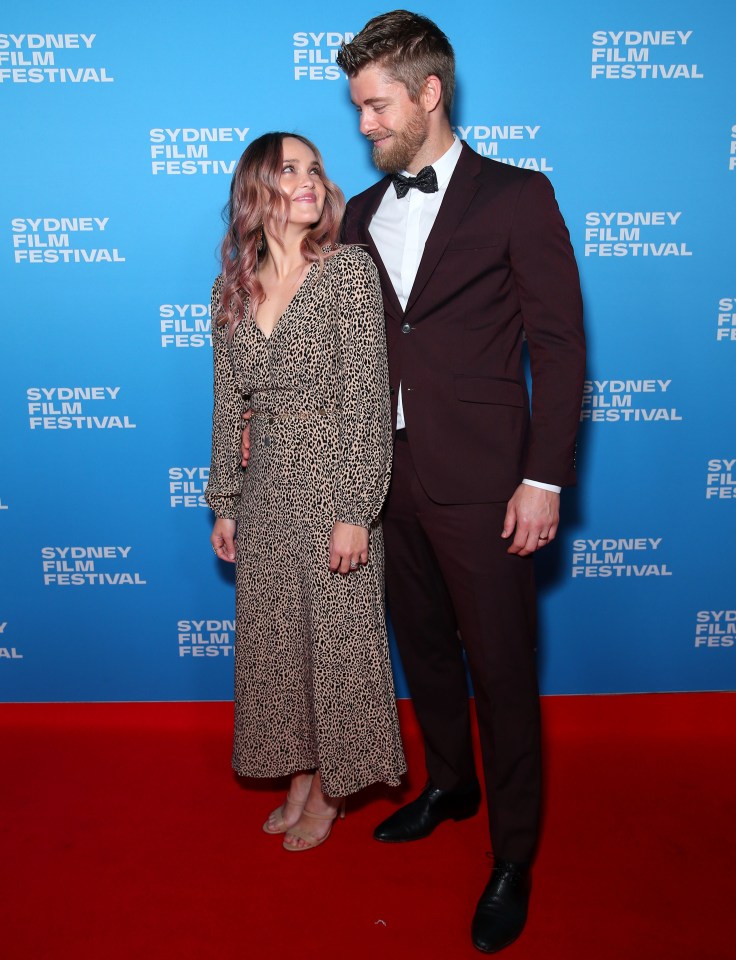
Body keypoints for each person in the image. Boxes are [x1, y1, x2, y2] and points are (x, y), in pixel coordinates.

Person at [335, 11, 586, 953]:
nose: (363, 124)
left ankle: (514, 853)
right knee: (426, 649)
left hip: (487, 483)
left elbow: (560, 349)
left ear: (428, 93)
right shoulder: (359, 215)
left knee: (504, 671)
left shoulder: (519, 196)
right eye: (358, 105)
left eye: (376, 104)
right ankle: (450, 782)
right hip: (385, 478)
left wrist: (543, 479)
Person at [206, 131, 406, 853]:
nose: (310, 179)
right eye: (290, 169)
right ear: (256, 190)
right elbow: (230, 403)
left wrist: (358, 510)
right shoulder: (231, 290)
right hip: (264, 494)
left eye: (315, 168)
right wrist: (225, 499)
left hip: (333, 481)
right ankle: (296, 773)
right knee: (276, 647)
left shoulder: (348, 272)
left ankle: (331, 790)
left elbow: (368, 399)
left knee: (339, 646)